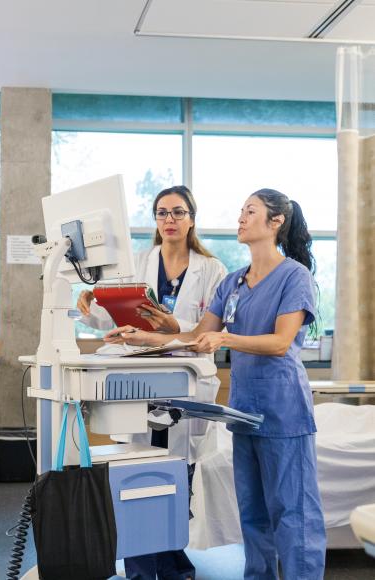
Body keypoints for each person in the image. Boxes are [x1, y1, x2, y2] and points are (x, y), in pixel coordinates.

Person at [105, 189, 327, 579]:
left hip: (283, 410)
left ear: (275, 222)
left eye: (250, 212)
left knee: (294, 514)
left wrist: (225, 338)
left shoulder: (295, 276)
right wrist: (141, 338)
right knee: (254, 514)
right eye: (241, 211)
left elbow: (279, 343)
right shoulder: (234, 283)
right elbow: (195, 336)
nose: (240, 218)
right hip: (242, 412)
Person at [78, 185, 227, 580]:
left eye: (178, 212)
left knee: (178, 475)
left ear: (192, 218)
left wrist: (176, 327)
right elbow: (112, 315)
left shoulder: (212, 270)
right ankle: (144, 569)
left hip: (187, 378)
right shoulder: (140, 262)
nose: (170, 220)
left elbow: (214, 331)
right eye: (162, 213)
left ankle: (173, 562)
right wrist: (89, 305)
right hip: (140, 376)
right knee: (137, 473)